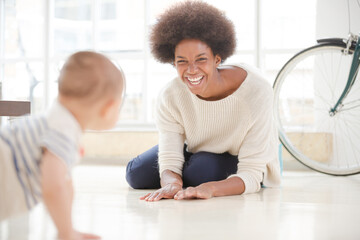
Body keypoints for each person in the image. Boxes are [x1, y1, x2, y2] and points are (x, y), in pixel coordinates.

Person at [125, 1, 281, 201]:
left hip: (241, 155)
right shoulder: (171, 95)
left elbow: (251, 172)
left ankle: (196, 170)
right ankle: (190, 169)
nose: (191, 70)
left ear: (217, 59)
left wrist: (212, 189)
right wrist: (172, 183)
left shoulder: (256, 90)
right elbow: (170, 156)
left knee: (201, 171)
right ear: (172, 62)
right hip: (195, 148)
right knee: (136, 174)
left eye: (201, 59)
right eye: (182, 61)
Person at [0, 51, 125, 240]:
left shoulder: (57, 120)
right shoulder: (62, 132)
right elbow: (54, 185)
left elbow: (65, 184)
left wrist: (68, 228)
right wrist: (66, 234)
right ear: (108, 108)